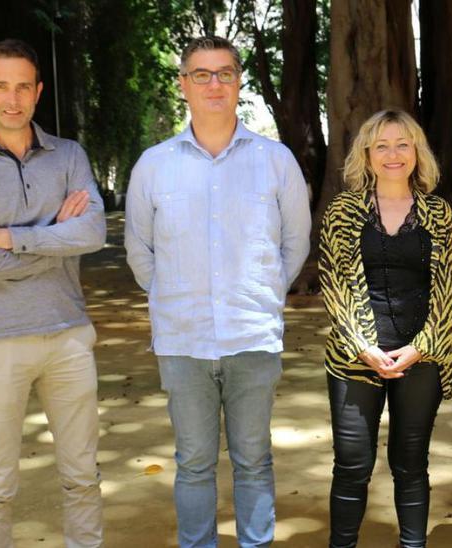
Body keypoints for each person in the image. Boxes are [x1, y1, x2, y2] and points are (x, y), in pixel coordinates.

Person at [124, 36, 311, 548]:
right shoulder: (154, 165)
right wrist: (171, 297)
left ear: (239, 82)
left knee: (254, 460)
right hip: (182, 342)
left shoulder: (276, 161)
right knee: (193, 463)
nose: (214, 84)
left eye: (224, 73)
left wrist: (265, 294)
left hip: (252, 336)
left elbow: (295, 242)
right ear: (184, 84)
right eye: (201, 74)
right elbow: (139, 250)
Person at [0, 39, 106, 548]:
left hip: (68, 337)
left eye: (21, 87)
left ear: (37, 91)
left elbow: (94, 233)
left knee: (83, 474)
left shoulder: (69, 155)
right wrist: (55, 236)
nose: (11, 100)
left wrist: (12, 237)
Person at [318, 109, 452, 548]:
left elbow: (450, 289)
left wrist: (420, 348)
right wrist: (363, 347)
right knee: (352, 464)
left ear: (418, 152)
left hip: (422, 357)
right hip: (354, 358)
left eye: (403, 144)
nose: (393, 154)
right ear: (367, 153)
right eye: (382, 145)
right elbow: (333, 283)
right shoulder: (342, 210)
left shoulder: (439, 213)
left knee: (411, 462)